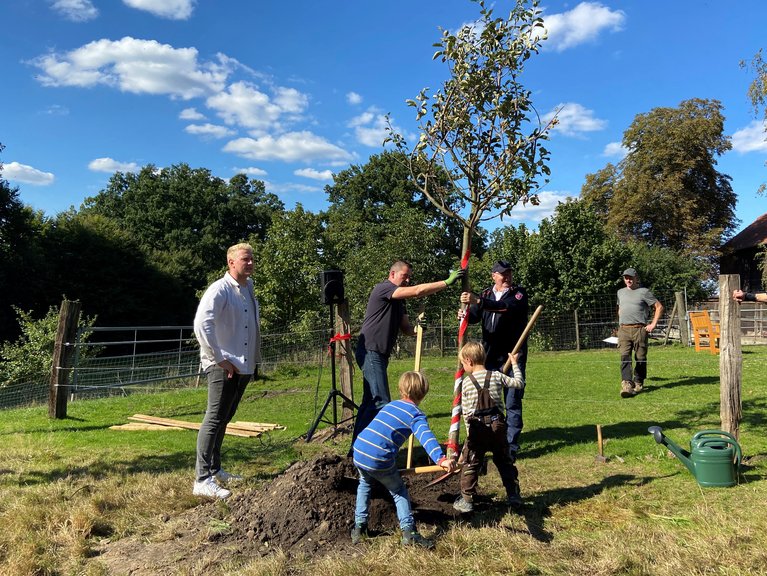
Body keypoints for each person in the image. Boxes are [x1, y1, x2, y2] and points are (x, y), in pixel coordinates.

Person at [351, 261, 464, 443]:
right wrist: (446, 282)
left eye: (409, 276)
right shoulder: (384, 288)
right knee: (381, 402)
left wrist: (417, 329)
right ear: (392, 274)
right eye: (405, 276)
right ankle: (380, 447)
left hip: (380, 353)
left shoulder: (399, 301)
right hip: (370, 350)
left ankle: (356, 448)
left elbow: (405, 328)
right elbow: (418, 291)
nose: (408, 280)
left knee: (369, 403)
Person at [351, 371, 455, 548]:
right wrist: (441, 459)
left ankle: (359, 528)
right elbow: (426, 437)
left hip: (359, 449)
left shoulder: (391, 405)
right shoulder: (415, 415)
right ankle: (409, 533)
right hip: (378, 457)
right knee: (398, 490)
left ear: (401, 389)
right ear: (423, 394)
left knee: (365, 483)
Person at [192, 242, 262, 499]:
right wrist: (219, 358)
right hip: (224, 365)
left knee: (225, 417)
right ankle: (201, 479)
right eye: (246, 259)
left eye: (252, 259)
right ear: (231, 262)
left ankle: (215, 469)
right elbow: (201, 324)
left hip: (242, 364)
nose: (251, 263)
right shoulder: (219, 289)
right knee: (213, 419)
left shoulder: (248, 288)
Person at [459, 260, 528, 458]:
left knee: (512, 400)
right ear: (493, 276)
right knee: (486, 400)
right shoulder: (486, 294)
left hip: (512, 355)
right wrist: (464, 313)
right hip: (488, 357)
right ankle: (486, 440)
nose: (506, 277)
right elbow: (473, 316)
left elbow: (504, 307)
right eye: (502, 273)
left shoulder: (518, 294)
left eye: (509, 273)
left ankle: (510, 447)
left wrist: (478, 301)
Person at [452, 342, 525, 514]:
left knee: (470, 463)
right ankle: (513, 494)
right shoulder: (497, 376)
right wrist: (514, 363)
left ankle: (467, 500)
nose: (463, 366)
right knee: (504, 461)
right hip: (498, 427)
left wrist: (468, 441)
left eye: (463, 363)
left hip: (477, 430)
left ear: (469, 361)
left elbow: (467, 413)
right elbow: (519, 383)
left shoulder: (466, 383)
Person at [617, 267, 663, 398]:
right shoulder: (620, 292)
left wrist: (653, 324)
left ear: (636, 278)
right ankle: (626, 384)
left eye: (631, 277)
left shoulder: (644, 292)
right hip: (624, 330)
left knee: (640, 357)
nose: (628, 280)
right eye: (626, 277)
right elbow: (620, 308)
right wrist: (620, 323)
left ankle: (638, 382)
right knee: (624, 356)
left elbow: (659, 307)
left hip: (639, 329)